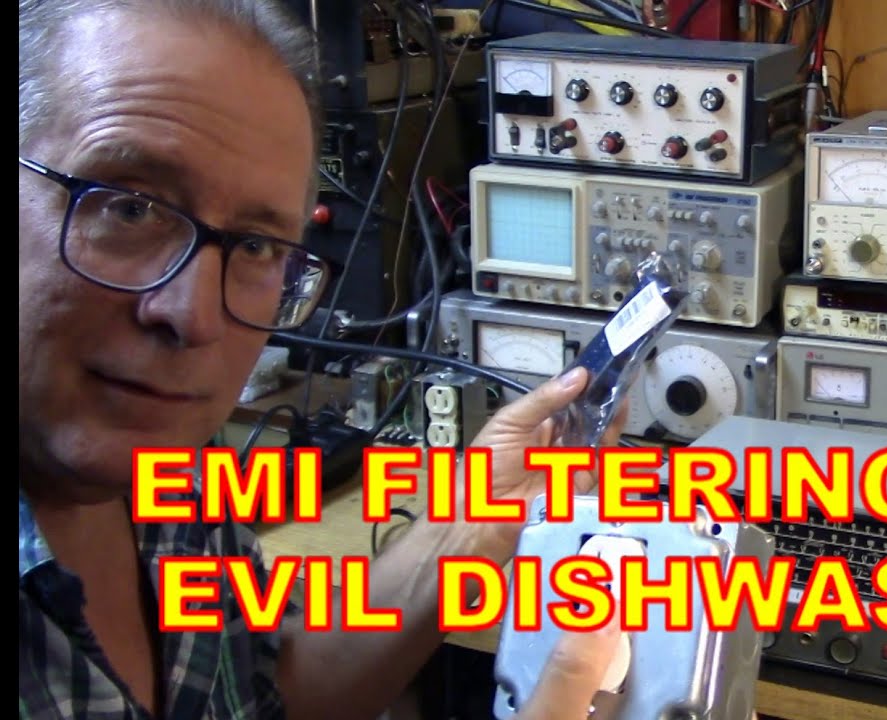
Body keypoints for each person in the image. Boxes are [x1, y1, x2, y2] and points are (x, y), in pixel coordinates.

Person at [18, 1, 629, 718]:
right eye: (129, 207)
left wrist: (470, 525)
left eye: (254, 246)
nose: (194, 316)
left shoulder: (169, 460)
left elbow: (264, 695)